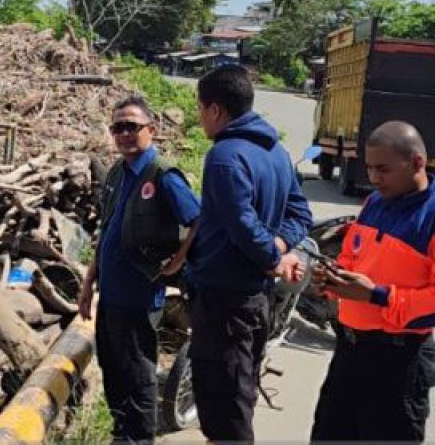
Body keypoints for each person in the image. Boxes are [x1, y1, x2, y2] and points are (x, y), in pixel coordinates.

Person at [186, 64, 312, 444]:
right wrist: (279, 247)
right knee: (240, 391)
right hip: (254, 299)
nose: (199, 116)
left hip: (225, 300)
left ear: (215, 110)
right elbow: (299, 212)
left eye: (200, 107)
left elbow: (241, 222)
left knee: (226, 410)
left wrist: (273, 256)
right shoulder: (275, 151)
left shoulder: (225, 155)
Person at [78, 96, 200, 443]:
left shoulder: (162, 174)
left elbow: (197, 220)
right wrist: (88, 284)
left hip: (140, 295)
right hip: (111, 294)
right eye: (118, 127)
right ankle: (122, 433)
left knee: (138, 373)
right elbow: (106, 230)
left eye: (133, 126)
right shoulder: (118, 172)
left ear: (152, 129)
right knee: (113, 369)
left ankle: (141, 438)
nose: (125, 134)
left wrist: (177, 260)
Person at [310, 120, 435, 444]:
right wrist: (333, 277)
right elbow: (353, 255)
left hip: (397, 364)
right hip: (350, 352)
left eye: (384, 169)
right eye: (369, 168)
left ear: (417, 163)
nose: (374, 178)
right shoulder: (375, 203)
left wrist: (377, 296)